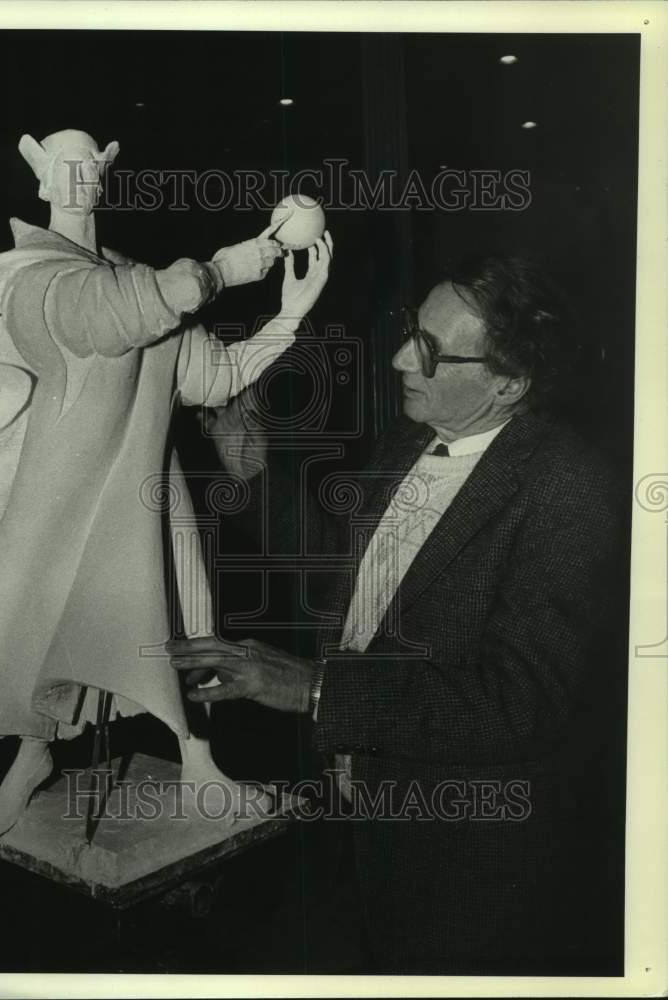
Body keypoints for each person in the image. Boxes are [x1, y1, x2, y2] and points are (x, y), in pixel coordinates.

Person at [0, 129, 333, 840]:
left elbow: (212, 376)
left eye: (91, 165)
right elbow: (107, 312)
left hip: (149, 503)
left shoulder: (141, 280)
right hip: (56, 506)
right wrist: (221, 270)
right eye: (65, 166)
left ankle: (198, 761)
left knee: (184, 627)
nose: (80, 178)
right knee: (33, 636)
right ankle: (29, 760)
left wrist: (288, 315)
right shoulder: (41, 279)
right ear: (40, 178)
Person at [169, 254, 627, 973]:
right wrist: (252, 466)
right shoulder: (414, 436)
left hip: (471, 862)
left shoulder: (570, 488)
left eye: (433, 351)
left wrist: (315, 690)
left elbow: (521, 702)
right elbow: (345, 579)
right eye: (415, 329)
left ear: (510, 383)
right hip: (371, 815)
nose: (398, 357)